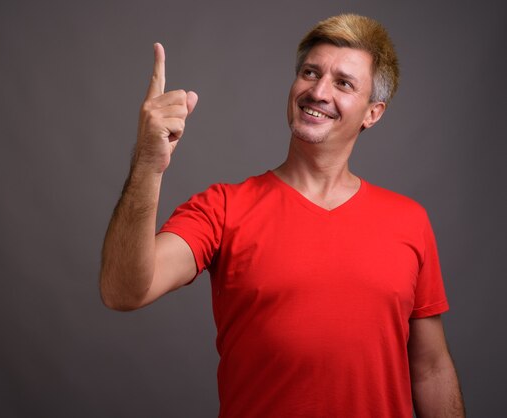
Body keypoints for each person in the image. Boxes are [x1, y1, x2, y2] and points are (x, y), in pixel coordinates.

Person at [100, 14, 465, 418]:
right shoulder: (223, 208)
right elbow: (123, 291)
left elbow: (430, 369)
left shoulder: (408, 221)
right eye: (311, 73)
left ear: (372, 113)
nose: (319, 91)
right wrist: (149, 163)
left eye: (343, 83)